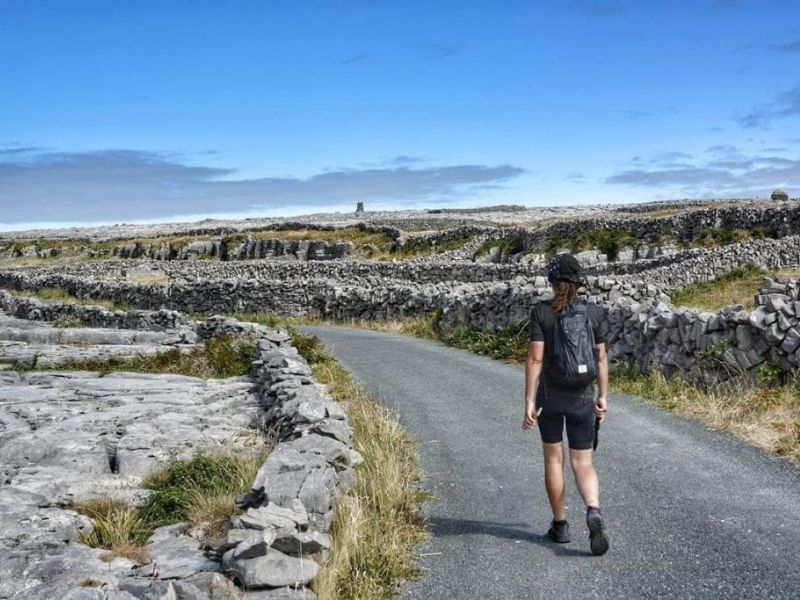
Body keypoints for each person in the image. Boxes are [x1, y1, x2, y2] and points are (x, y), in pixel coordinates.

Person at [522, 252, 610, 556]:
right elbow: (600, 358)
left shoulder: (542, 312)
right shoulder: (594, 312)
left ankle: (560, 526)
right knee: (583, 463)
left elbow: (535, 358)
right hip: (583, 397)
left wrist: (529, 401)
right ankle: (593, 509)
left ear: (553, 282)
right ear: (578, 282)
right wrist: (602, 396)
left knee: (553, 461)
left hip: (550, 397)